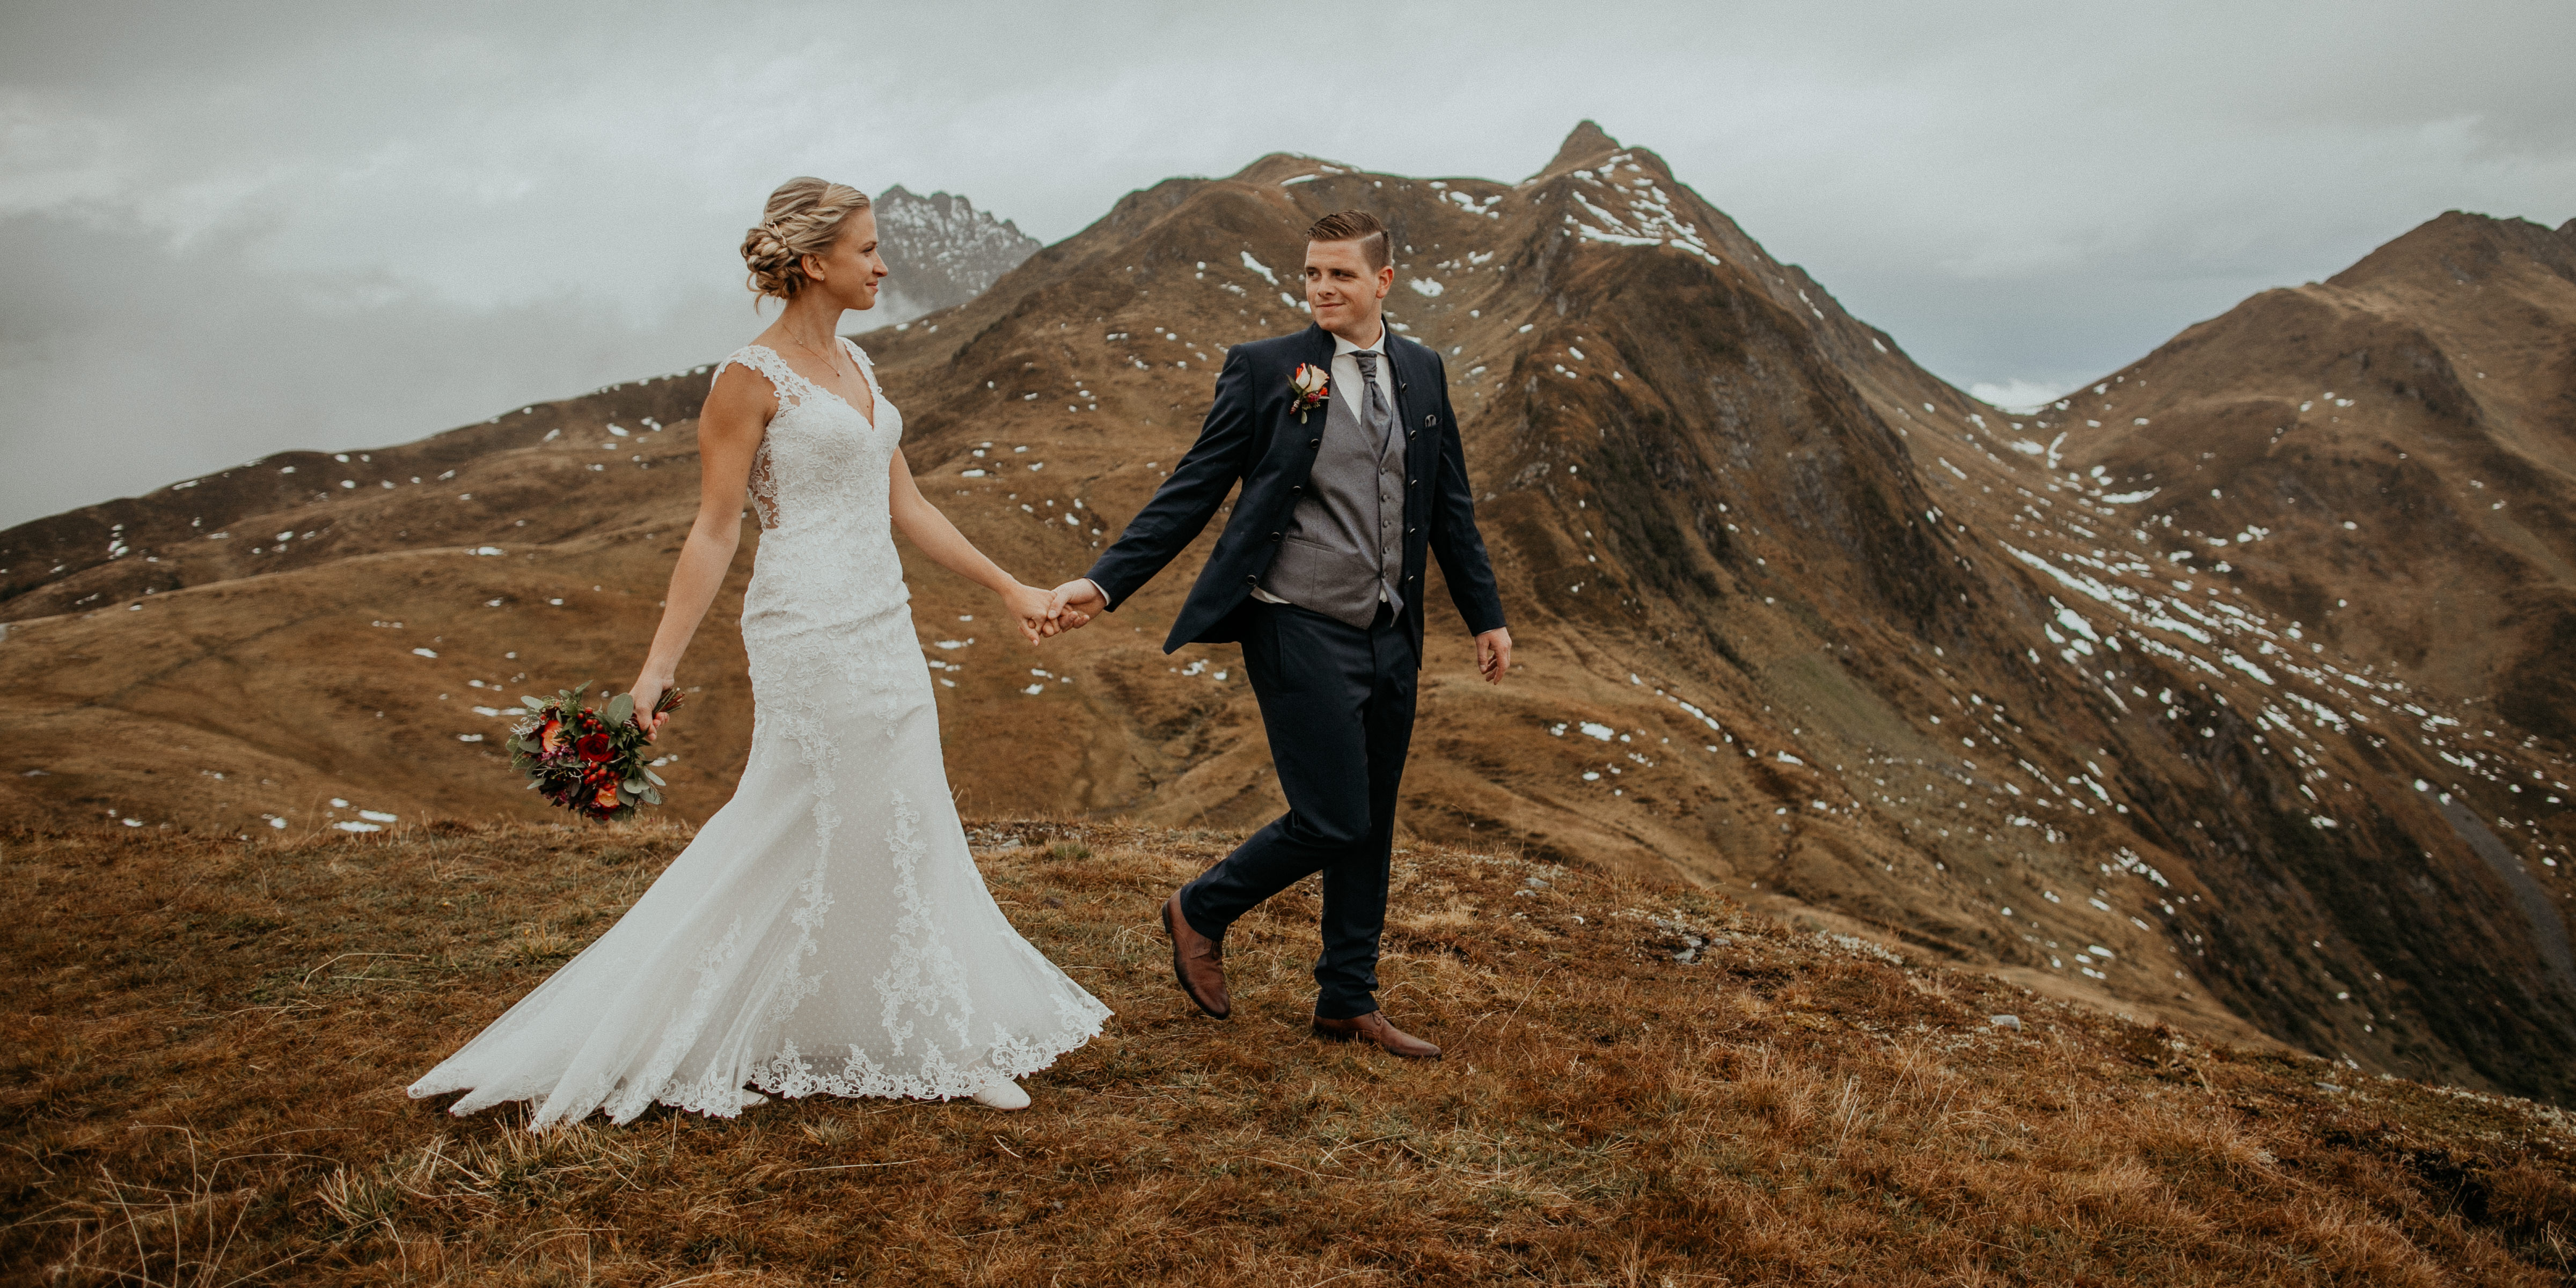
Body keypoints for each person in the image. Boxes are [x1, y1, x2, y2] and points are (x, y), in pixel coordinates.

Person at [408, 177, 1108, 1127]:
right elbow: (713, 530)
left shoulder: (860, 362)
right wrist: (656, 669)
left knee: (905, 817)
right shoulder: (747, 379)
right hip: (807, 630)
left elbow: (906, 504)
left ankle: (937, 1030)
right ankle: (695, 1027)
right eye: (867, 249)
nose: (883, 263)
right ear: (814, 262)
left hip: (885, 625)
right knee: (794, 819)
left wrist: (1010, 588)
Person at [1049, 210, 1510, 1059]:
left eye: (1340, 275)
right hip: (1295, 619)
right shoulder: (1270, 370)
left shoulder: (1422, 369)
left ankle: (1347, 998)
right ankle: (1202, 908)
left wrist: (1486, 614)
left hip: (1392, 628)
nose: (1323, 289)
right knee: (1333, 817)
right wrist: (1104, 582)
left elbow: (1449, 505)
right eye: (1311, 275)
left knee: (1371, 821)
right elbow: (1194, 487)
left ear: (1383, 283)